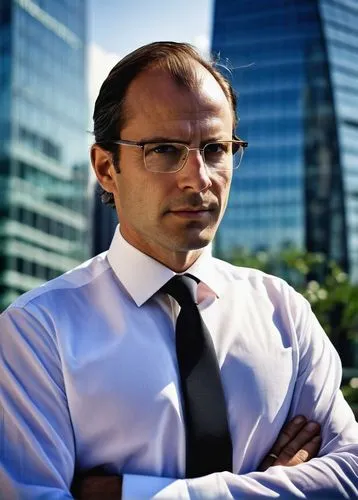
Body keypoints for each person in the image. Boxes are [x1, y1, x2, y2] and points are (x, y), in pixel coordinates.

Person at [1, 41, 357, 499]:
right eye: (165, 150)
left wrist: (130, 494)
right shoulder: (37, 332)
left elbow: (348, 477)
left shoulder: (283, 310)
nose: (199, 177)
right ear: (106, 168)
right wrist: (273, 487)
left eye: (215, 148)